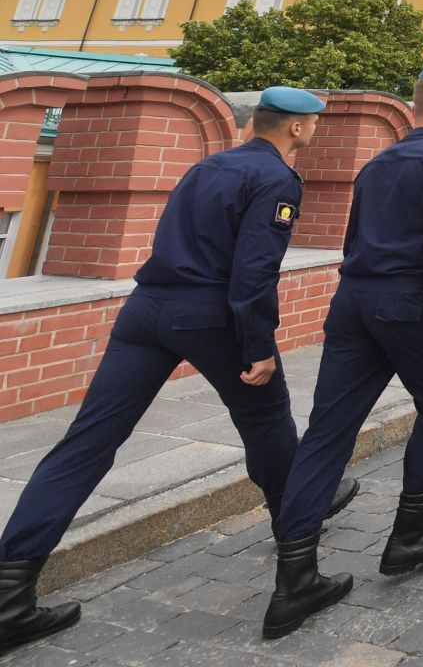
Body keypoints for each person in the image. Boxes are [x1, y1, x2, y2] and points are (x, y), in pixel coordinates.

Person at [0, 88, 356, 656]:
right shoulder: (277, 179)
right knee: (267, 424)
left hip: (147, 309)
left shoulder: (204, 166)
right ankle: (297, 568)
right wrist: (259, 343)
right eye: (312, 124)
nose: (314, 131)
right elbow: (255, 269)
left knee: (88, 441)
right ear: (294, 129)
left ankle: (8, 594)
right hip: (214, 315)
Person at [263, 66, 423, 640]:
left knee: (329, 430)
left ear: (415, 109)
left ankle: (294, 580)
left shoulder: (377, 162)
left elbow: (354, 235)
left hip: (354, 300)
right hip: (409, 302)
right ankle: (413, 533)